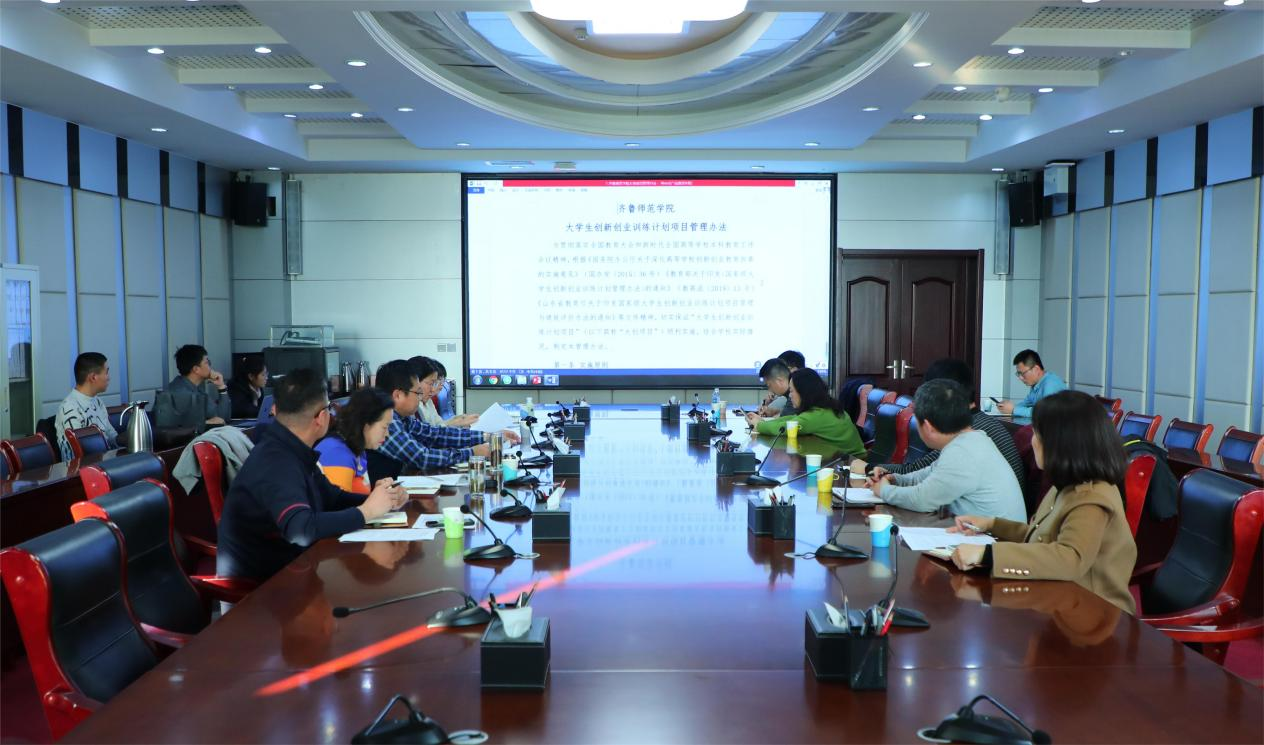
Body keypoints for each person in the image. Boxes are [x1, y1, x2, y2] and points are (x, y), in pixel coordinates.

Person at [948, 390, 1137, 614]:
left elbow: (1068, 558)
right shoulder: (1067, 485)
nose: (1032, 441)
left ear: (1061, 443)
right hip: (1064, 604)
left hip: (1093, 617)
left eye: (1037, 434)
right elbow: (1042, 537)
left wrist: (987, 554)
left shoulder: (1091, 498)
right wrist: (991, 524)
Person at [217, 369, 406, 582]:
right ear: (322, 417)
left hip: (293, 568)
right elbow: (301, 529)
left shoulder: (291, 448)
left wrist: (381, 500)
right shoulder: (277, 461)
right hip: (262, 586)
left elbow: (333, 498)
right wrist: (367, 511)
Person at [869, 379, 1026, 523]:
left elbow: (922, 500)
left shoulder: (963, 451)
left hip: (995, 540)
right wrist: (895, 479)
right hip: (980, 535)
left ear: (928, 427)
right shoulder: (971, 439)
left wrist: (884, 491)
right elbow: (929, 474)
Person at [853, 359, 1025, 487]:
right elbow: (926, 470)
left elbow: (920, 470)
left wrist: (868, 468)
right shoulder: (973, 422)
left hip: (989, 522)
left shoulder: (970, 430)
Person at [372, 360, 519, 478]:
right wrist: (472, 452)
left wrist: (488, 436)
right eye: (417, 393)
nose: (420, 397)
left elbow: (437, 434)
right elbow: (422, 457)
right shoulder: (386, 419)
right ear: (398, 395)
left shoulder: (402, 417)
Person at [745, 368, 865, 456]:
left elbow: (783, 428)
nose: (790, 395)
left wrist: (759, 425)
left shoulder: (815, 416)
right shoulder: (824, 408)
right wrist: (763, 421)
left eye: (792, 391)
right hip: (846, 459)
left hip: (852, 464)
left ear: (803, 393)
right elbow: (791, 419)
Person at [315, 388, 394, 494]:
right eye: (385, 427)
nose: (387, 434)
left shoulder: (355, 447)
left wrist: (377, 493)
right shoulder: (337, 454)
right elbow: (338, 503)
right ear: (365, 423)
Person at [54, 352, 119, 460]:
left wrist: (124, 438)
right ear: (93, 377)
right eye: (106, 372)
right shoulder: (69, 408)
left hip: (102, 461)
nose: (109, 378)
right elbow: (82, 451)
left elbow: (110, 435)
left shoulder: (97, 401)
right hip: (82, 467)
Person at [165, 344, 233, 425]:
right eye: (207, 362)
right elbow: (220, 418)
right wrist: (205, 423)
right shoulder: (180, 392)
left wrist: (221, 387)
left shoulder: (196, 389)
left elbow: (223, 417)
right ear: (196, 369)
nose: (210, 367)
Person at [408, 356, 477, 428]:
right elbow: (429, 432)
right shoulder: (412, 406)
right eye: (431, 383)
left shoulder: (428, 400)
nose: (433, 389)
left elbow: (437, 425)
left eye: (435, 383)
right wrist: (454, 423)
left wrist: (456, 421)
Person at [997, 349, 1066, 418]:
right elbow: (1026, 403)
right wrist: (1007, 408)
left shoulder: (1051, 384)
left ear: (1036, 369)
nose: (1020, 378)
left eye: (1022, 373)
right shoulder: (1036, 384)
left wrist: (1014, 409)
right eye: (1018, 374)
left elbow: (1046, 413)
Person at [227, 355, 268, 420]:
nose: (266, 378)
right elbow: (245, 410)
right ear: (251, 376)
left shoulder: (258, 388)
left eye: (266, 374)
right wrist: (265, 411)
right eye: (263, 375)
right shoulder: (236, 387)